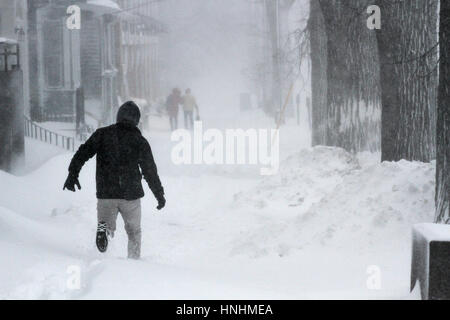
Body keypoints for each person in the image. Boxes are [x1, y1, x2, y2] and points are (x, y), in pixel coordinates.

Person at [63, 101, 166, 259]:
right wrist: (159, 194)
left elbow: (83, 152)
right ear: (136, 120)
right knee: (134, 232)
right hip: (130, 195)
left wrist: (72, 174)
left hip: (106, 193)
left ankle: (103, 235)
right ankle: (133, 262)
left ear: (118, 116)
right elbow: (150, 171)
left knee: (106, 227)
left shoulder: (102, 134)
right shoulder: (140, 141)